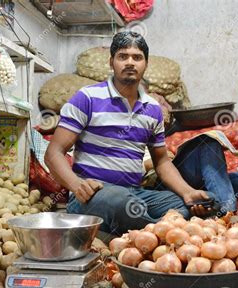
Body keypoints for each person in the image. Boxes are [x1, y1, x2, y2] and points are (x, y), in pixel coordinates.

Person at [44, 31, 212, 235]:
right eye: (123, 56)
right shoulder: (87, 98)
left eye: (137, 57)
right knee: (121, 203)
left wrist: (188, 192)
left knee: (194, 204)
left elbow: (161, 162)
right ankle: (160, 230)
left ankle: (140, 233)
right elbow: (53, 153)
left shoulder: (152, 108)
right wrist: (76, 185)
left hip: (135, 194)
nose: (130, 62)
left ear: (146, 64)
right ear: (111, 62)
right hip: (95, 196)